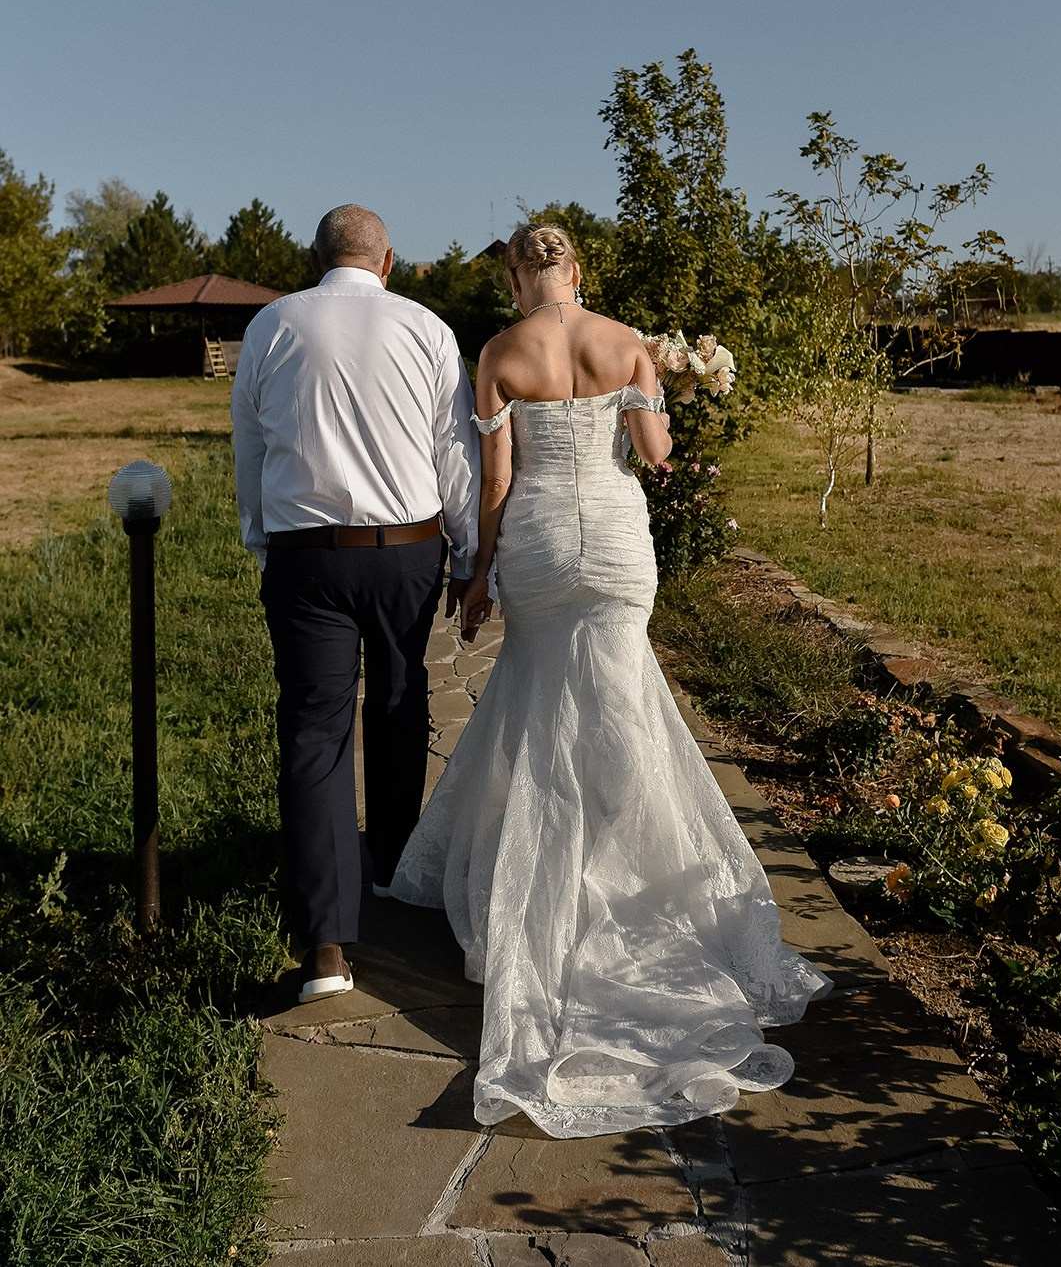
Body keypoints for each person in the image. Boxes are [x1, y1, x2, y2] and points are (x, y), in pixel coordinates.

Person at [388, 224, 829, 1136]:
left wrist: (477, 574)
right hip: (619, 540)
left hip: (541, 538)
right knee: (622, 709)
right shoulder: (628, 343)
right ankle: (630, 880)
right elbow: (655, 453)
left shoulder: (499, 353)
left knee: (537, 706)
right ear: (577, 271)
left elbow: (496, 479)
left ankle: (547, 882)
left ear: (516, 277)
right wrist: (670, 386)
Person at [231, 204, 479, 1004]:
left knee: (314, 732)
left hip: (306, 554)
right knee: (402, 700)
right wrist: (469, 552)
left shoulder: (272, 325)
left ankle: (326, 947)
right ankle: (392, 866)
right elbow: (453, 450)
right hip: (408, 548)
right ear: (389, 260)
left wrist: (261, 538)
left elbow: (251, 444)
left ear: (314, 259)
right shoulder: (426, 328)